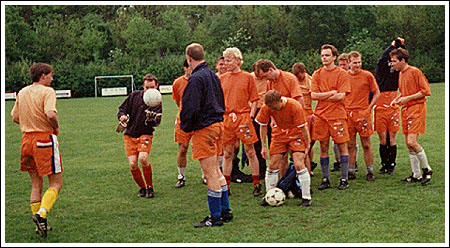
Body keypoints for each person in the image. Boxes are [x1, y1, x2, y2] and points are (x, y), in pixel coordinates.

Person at [180, 43, 232, 227]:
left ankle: (215, 216)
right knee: (217, 171)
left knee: (209, 173)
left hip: (205, 129)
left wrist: (186, 126)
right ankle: (225, 211)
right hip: (219, 125)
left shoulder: (196, 78)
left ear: (189, 59)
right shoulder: (212, 75)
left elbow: (191, 107)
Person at [11, 62, 62, 238]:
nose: (52, 78)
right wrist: (55, 127)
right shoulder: (47, 91)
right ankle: (41, 214)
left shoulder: (22, 92)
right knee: (56, 182)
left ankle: (40, 224)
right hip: (43, 140)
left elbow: (15, 117)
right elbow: (50, 113)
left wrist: (29, 122)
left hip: (26, 141)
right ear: (43, 76)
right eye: (50, 75)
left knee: (35, 184)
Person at [255, 90, 312, 206]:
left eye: (275, 107)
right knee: (272, 164)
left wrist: (308, 143)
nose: (273, 110)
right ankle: (268, 195)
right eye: (271, 108)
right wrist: (263, 146)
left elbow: (303, 127)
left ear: (280, 101)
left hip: (296, 134)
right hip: (279, 134)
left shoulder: (294, 106)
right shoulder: (267, 107)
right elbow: (263, 126)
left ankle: (306, 197)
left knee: (298, 164)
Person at [219, 47, 262, 196]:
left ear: (238, 61)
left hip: (243, 117)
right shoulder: (221, 79)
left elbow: (255, 100)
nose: (226, 63)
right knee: (228, 153)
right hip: (227, 118)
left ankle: (256, 183)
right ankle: (226, 186)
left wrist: (249, 117)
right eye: (225, 60)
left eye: (229, 60)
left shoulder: (247, 77)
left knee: (250, 151)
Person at [389, 48, 433, 185]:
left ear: (403, 60)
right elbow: (404, 92)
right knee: (409, 144)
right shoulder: (401, 74)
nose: (392, 64)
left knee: (412, 142)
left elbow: (425, 91)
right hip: (406, 110)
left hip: (416, 109)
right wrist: (396, 99)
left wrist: (406, 99)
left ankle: (427, 169)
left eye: (394, 61)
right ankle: (416, 174)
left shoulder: (414, 71)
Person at [254, 59, 304, 178]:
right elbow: (269, 104)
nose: (266, 79)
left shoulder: (289, 78)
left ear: (271, 70)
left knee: (298, 154)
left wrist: (298, 121)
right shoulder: (269, 83)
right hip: (279, 125)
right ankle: (283, 183)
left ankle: (303, 183)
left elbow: (299, 101)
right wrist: (272, 120)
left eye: (266, 76)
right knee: (281, 156)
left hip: (294, 123)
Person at [310, 44, 351, 190]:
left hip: (337, 116)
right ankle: (325, 178)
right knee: (323, 146)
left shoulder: (342, 74)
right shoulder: (317, 74)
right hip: (321, 115)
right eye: (322, 55)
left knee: (342, 146)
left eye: (327, 55)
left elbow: (341, 96)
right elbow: (313, 95)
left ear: (334, 57)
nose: (324, 58)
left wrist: (325, 95)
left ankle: (344, 178)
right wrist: (330, 93)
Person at [117, 73, 162, 199]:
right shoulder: (134, 96)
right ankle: (142, 188)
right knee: (132, 164)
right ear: (143, 86)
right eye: (147, 87)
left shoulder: (156, 100)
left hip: (145, 134)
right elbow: (122, 109)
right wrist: (122, 116)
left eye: (152, 87)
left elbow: (157, 122)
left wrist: (152, 119)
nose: (149, 90)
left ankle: (150, 187)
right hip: (130, 134)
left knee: (143, 158)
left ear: (156, 86)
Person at [344, 51, 380, 181]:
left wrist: (369, 108)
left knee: (366, 143)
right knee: (350, 144)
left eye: (359, 62)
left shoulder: (367, 75)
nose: (357, 65)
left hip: (363, 114)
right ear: (349, 63)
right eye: (355, 63)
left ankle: (370, 170)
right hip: (348, 115)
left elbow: (377, 93)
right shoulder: (344, 76)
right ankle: (351, 170)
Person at [374, 38, 405, 175]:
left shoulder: (397, 70)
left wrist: (400, 45)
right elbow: (382, 59)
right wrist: (390, 46)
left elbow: (402, 56)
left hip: (392, 103)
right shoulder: (381, 68)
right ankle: (384, 164)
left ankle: (391, 164)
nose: (392, 63)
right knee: (382, 138)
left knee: (391, 138)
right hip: (380, 105)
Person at [172, 59, 195, 188]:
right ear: (185, 68)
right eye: (190, 68)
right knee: (183, 148)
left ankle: (205, 175)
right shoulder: (178, 82)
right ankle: (181, 176)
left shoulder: (198, 80)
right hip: (183, 120)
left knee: (202, 148)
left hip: (199, 120)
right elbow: (177, 101)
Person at [292, 62, 317, 175]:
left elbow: (315, 95)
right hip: (297, 114)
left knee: (309, 142)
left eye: (299, 76)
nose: (298, 78)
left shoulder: (310, 80)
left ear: (304, 72)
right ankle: (300, 166)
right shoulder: (293, 81)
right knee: (299, 142)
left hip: (308, 113)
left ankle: (309, 165)